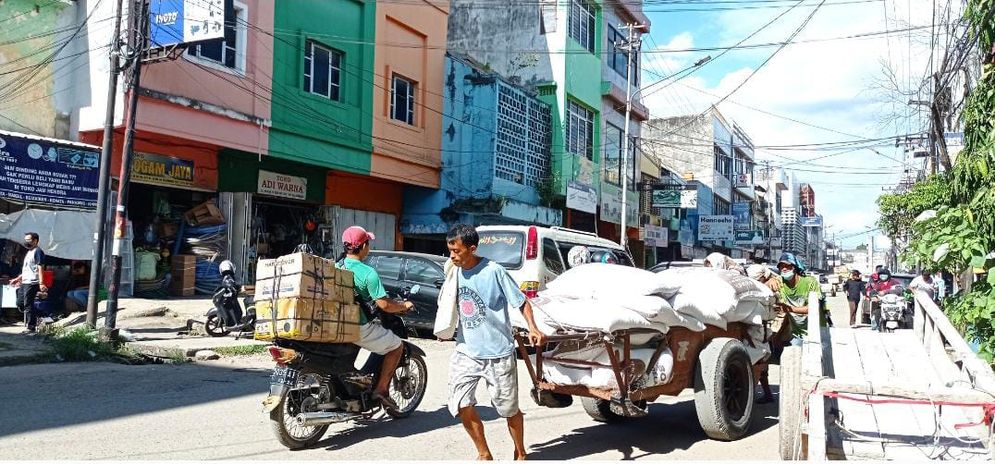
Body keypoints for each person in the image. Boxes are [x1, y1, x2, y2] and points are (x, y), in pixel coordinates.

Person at [445, 224, 545, 461]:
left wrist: (533, 327)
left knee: (508, 409)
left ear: (472, 248)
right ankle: (484, 454)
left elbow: (521, 302)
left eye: (456, 251)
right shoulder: (453, 269)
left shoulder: (494, 271)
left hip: (498, 353)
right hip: (466, 350)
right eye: (450, 250)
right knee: (460, 403)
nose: (452, 256)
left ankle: (520, 452)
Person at [336, 226, 414, 411]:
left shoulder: (336, 266)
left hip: (336, 324)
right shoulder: (368, 273)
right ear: (363, 246)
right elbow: (384, 305)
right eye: (368, 243)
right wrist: (404, 305)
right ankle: (381, 389)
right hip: (358, 326)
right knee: (396, 346)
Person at [774, 253, 825, 345]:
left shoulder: (810, 282)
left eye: (787, 266)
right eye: (781, 267)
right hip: (797, 333)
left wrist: (790, 309)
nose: (784, 269)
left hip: (817, 331)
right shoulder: (780, 283)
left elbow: (813, 308)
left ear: (794, 267)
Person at [10, 232, 46, 335]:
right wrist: (18, 278)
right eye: (25, 240)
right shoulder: (29, 252)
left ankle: (31, 328)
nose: (26, 242)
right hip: (25, 282)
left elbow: (40, 268)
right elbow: (28, 269)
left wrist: (41, 283)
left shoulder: (38, 251)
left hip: (32, 282)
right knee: (20, 303)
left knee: (28, 304)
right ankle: (43, 315)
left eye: (29, 240)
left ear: (35, 241)